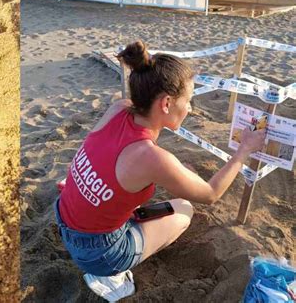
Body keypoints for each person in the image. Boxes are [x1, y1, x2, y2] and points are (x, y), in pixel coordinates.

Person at [54, 40, 266, 301]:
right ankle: (110, 277)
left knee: (151, 200)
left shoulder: (119, 108)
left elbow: (108, 157)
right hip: (99, 253)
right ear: (166, 103)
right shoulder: (151, 157)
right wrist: (243, 150)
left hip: (66, 216)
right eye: (188, 100)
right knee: (185, 210)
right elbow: (211, 193)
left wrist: (173, 170)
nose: (190, 108)